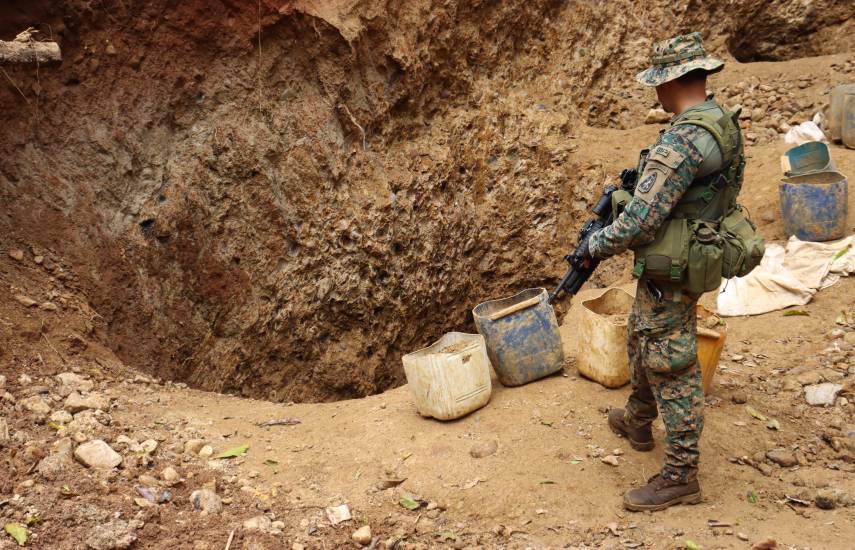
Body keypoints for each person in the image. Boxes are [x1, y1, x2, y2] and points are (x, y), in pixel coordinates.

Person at [586, 32, 746, 511]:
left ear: (671, 81)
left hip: (675, 265)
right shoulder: (719, 120)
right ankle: (638, 419)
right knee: (642, 335)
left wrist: (597, 244)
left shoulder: (686, 138)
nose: (653, 90)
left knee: (671, 364)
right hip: (689, 251)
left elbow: (640, 220)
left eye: (657, 81)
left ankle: (680, 476)